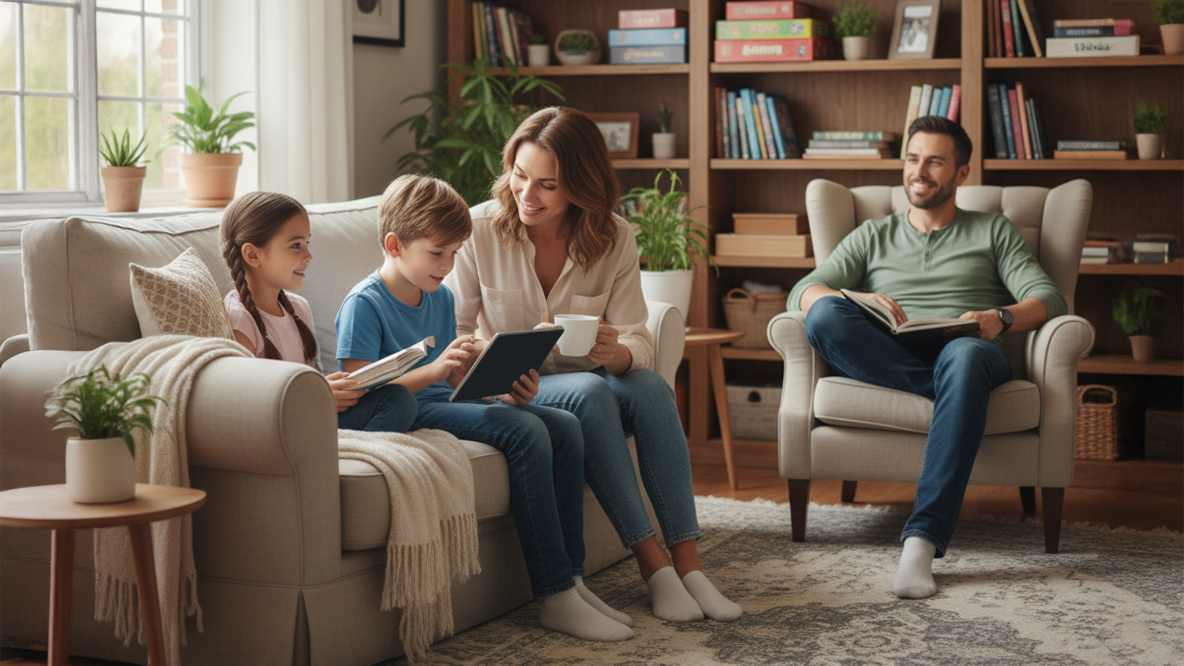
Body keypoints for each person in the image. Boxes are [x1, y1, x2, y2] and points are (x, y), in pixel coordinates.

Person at [447, 106, 743, 623]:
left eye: (548, 185)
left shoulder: (614, 236)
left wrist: (616, 351)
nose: (527, 194)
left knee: (649, 388)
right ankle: (654, 567)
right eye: (520, 175)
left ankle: (690, 567)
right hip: (521, 387)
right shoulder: (478, 230)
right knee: (590, 392)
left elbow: (637, 338)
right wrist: (495, 360)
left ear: (581, 186)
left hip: (593, 377)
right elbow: (454, 334)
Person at [334, 174, 632, 642]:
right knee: (525, 433)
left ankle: (572, 578)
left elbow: (450, 380)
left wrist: (495, 387)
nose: (448, 265)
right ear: (394, 245)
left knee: (563, 425)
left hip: (443, 402)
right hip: (407, 413)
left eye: (455, 252)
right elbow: (364, 391)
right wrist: (436, 371)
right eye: (437, 253)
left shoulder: (440, 295)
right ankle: (554, 593)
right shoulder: (364, 304)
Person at [786, 115, 1068, 599]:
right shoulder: (873, 235)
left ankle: (921, 541)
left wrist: (999, 318)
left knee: (962, 359)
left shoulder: (993, 230)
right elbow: (802, 292)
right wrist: (857, 296)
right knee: (825, 314)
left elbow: (1049, 298)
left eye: (934, 161)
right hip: (889, 347)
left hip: (969, 347)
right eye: (913, 159)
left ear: (962, 173)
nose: (919, 171)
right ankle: (958, 398)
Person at [220, 191, 417, 432]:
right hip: (283, 427)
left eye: (307, 243)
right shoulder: (240, 319)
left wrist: (333, 388)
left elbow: (311, 378)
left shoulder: (298, 308)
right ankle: (346, 446)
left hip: (313, 414)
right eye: (295, 245)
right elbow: (247, 405)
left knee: (399, 398)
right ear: (252, 254)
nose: (309, 256)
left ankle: (348, 444)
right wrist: (317, 396)